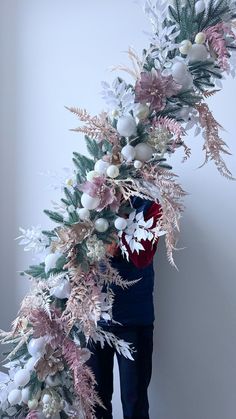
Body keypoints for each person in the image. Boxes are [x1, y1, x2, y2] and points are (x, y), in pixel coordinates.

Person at [87, 196, 162, 419]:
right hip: (95, 320)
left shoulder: (149, 206)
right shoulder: (90, 202)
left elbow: (142, 257)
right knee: (96, 400)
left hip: (134, 321)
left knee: (134, 401)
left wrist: (118, 233)